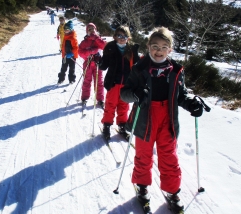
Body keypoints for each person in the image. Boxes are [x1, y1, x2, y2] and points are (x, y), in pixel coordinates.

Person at [120, 27, 204, 212]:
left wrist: (192, 104)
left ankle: (172, 191)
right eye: (155, 46)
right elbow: (124, 94)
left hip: (168, 119)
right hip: (145, 119)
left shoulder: (175, 70)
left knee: (169, 157)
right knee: (143, 156)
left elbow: (181, 94)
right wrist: (136, 94)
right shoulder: (140, 68)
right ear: (148, 47)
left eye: (164, 47)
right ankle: (142, 186)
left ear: (170, 49)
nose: (159, 51)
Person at [99, 25, 140, 140]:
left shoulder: (132, 50)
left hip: (127, 84)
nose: (122, 38)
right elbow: (104, 65)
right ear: (115, 36)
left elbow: (137, 66)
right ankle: (107, 125)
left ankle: (122, 125)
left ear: (128, 37)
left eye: (124, 36)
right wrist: (100, 62)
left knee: (124, 106)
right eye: (119, 35)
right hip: (113, 83)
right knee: (110, 105)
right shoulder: (110, 48)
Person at [78, 23, 106, 108]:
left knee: (99, 82)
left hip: (98, 64)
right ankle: (85, 98)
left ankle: (100, 99)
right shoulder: (84, 42)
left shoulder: (99, 39)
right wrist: (90, 51)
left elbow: (104, 46)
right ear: (87, 31)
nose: (91, 30)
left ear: (95, 30)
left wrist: (96, 38)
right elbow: (80, 53)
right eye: (89, 29)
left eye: (93, 29)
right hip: (88, 64)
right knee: (87, 81)